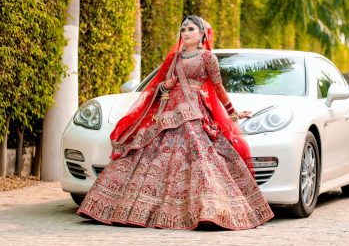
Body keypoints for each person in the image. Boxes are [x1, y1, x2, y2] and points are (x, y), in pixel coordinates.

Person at [77, 15, 274, 230]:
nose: (186, 33)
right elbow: (156, 87)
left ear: (201, 34)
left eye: (191, 29)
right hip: (167, 115)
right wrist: (165, 86)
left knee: (200, 156)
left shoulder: (208, 58)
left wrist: (233, 114)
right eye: (183, 29)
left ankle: (209, 209)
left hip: (194, 114)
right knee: (146, 156)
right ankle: (126, 207)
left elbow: (218, 89)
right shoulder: (173, 59)